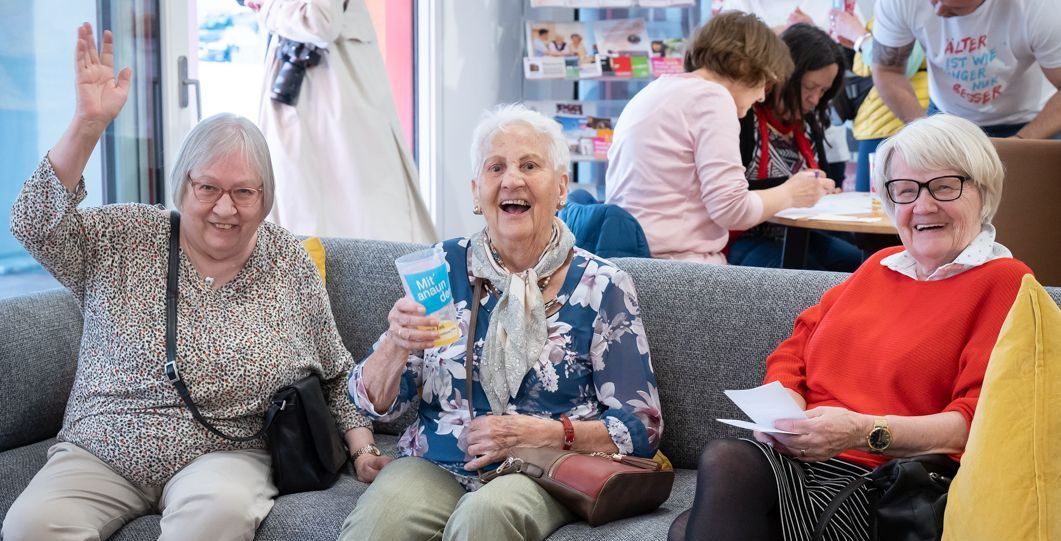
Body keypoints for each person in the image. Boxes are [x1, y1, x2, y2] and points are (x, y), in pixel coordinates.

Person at [1, 23, 387, 541]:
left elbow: (337, 374)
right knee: (30, 526)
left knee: (216, 517)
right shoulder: (126, 236)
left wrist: (363, 450)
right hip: (101, 448)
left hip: (225, 455)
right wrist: (87, 125)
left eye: (244, 192)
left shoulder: (286, 261)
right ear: (183, 183)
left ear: (266, 198)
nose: (225, 208)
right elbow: (33, 222)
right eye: (208, 187)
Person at [668, 114, 1032, 541]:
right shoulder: (880, 265)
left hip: (891, 480)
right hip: (806, 459)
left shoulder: (1004, 281)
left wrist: (861, 429)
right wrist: (787, 408)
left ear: (984, 192)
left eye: (945, 186)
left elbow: (974, 422)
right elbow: (795, 348)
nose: (923, 206)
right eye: (905, 190)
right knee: (718, 484)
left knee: (714, 486)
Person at [338, 104, 662, 540]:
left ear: (562, 187)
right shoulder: (441, 267)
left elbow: (642, 426)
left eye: (530, 165)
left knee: (483, 517)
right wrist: (395, 345)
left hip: (539, 467)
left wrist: (545, 433)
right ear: (476, 192)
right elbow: (373, 403)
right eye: (496, 168)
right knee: (378, 523)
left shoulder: (603, 285)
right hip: (438, 460)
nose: (512, 180)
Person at [605, 11, 835, 264]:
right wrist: (792, 193)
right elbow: (733, 210)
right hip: (680, 269)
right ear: (744, 65)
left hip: (639, 260)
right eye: (764, 83)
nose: (761, 96)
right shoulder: (711, 98)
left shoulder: (657, 89)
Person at [252, 0, 437, 241]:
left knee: (353, 214)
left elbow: (320, 20)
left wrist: (266, 7)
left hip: (331, 94)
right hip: (317, 89)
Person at [728, 23, 862, 272]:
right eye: (809, 87)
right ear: (783, 75)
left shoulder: (809, 122)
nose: (815, 99)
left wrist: (825, 190)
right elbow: (728, 195)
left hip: (801, 232)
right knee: (801, 275)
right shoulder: (745, 115)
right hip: (743, 237)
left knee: (857, 263)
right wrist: (794, 191)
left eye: (823, 91)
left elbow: (822, 180)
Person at [871, 0, 1061, 139]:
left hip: (1032, 119)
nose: (938, 10)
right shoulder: (898, 2)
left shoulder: (1042, 7)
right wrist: (925, 131)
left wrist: (1021, 142)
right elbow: (888, 70)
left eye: (955, 6)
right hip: (946, 119)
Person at [829, 10, 930, 192]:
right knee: (868, 210)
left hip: (899, 124)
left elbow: (903, 65)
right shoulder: (888, 9)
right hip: (877, 122)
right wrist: (856, 42)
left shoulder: (913, 8)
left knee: (884, 208)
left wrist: (858, 35)